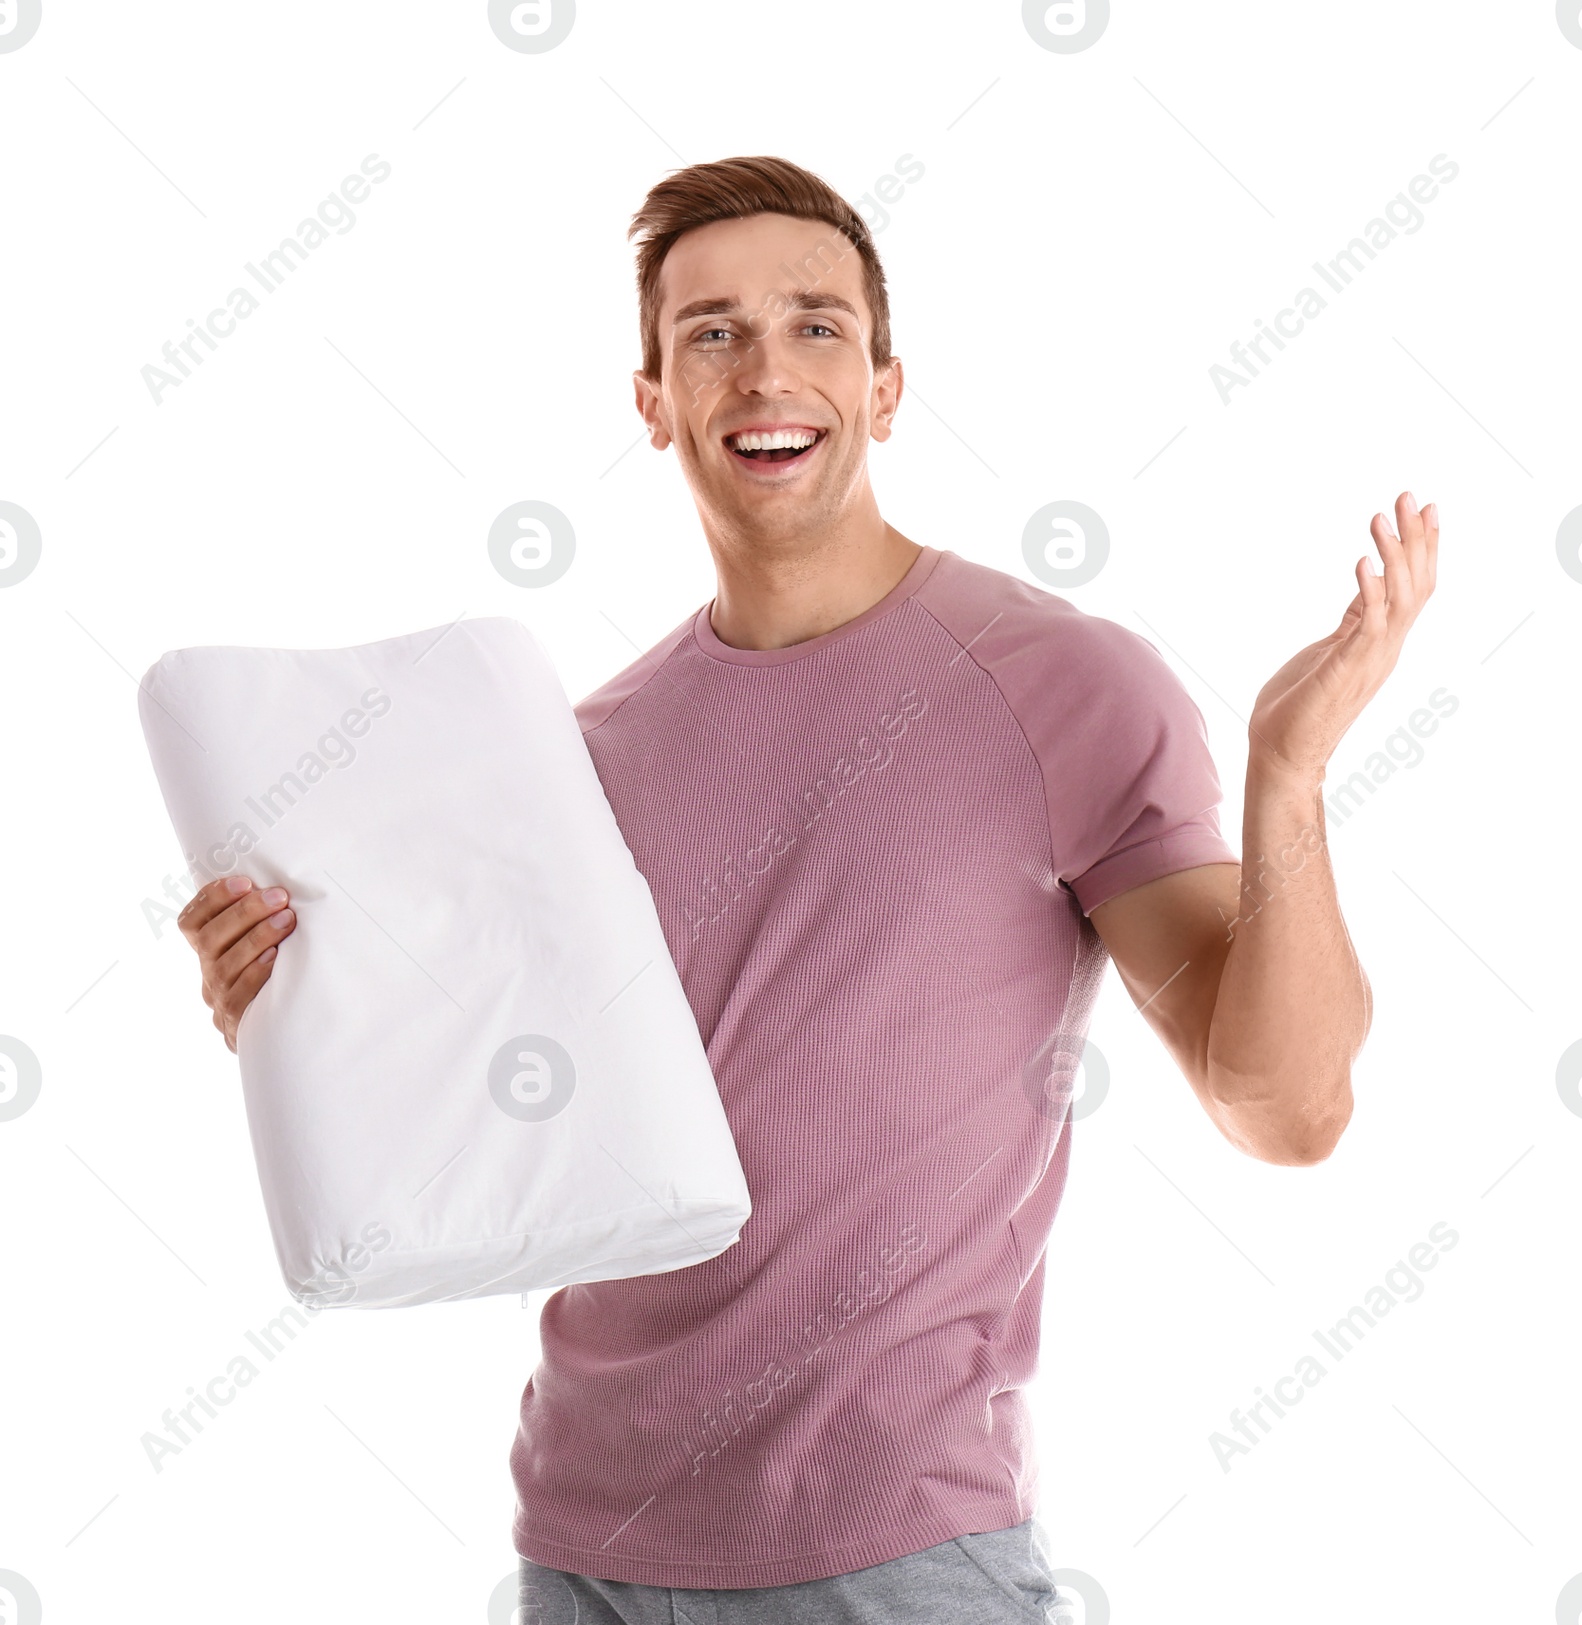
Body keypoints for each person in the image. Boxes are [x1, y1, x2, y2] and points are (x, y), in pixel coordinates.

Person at [177, 155, 1438, 1621]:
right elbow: (491, 1112)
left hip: (892, 1553)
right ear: (651, 401)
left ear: (888, 387)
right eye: (710, 332)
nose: (765, 368)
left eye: (816, 325)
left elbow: (1286, 1107)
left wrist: (1288, 778)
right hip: (582, 1541)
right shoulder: (578, 754)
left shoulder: (1064, 685)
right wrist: (292, 1007)